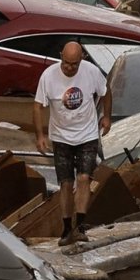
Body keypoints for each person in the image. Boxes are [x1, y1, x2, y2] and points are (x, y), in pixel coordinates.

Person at [33, 41, 111, 246]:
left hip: (87, 134)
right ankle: (67, 228)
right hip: (61, 137)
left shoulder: (91, 72)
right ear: (61, 56)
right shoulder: (48, 76)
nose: (69, 68)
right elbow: (37, 106)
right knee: (66, 184)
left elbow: (106, 91)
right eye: (66, 63)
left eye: (74, 64)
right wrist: (40, 135)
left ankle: (80, 225)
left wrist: (107, 117)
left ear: (81, 60)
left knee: (84, 178)